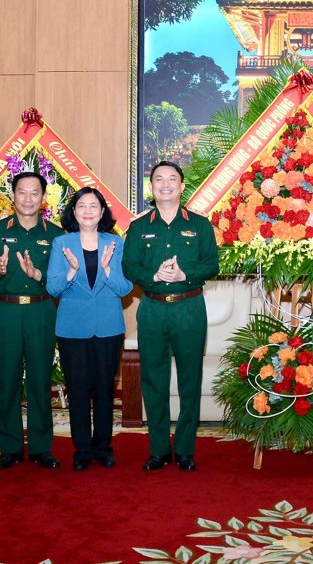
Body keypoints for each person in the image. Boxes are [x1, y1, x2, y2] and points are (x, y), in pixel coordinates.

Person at [121, 161, 218, 472]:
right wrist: (154, 275)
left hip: (189, 309)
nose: (165, 184)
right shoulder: (139, 227)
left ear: (182, 185)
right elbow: (129, 266)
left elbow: (212, 264)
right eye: (158, 179)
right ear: (152, 187)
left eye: (172, 179)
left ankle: (186, 450)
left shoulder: (200, 225)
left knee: (190, 380)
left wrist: (184, 273)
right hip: (152, 309)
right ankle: (159, 449)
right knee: (154, 380)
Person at [46, 187, 132, 471]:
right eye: (81, 205)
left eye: (93, 206)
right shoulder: (62, 244)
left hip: (108, 327)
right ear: (73, 211)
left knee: (105, 390)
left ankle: (103, 447)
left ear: (102, 211)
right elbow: (53, 287)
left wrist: (107, 269)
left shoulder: (115, 243)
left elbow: (124, 288)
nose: (87, 211)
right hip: (72, 328)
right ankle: (82, 449)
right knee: (79, 389)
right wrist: (70, 271)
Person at [0, 171, 62, 470]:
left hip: (41, 311)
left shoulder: (55, 234)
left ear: (43, 198)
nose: (28, 199)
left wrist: (37, 275)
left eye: (35, 193)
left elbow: (59, 280)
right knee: (8, 380)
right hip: (6, 312)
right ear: (12, 196)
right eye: (22, 192)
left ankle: (42, 448)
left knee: (41, 380)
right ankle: (10, 447)